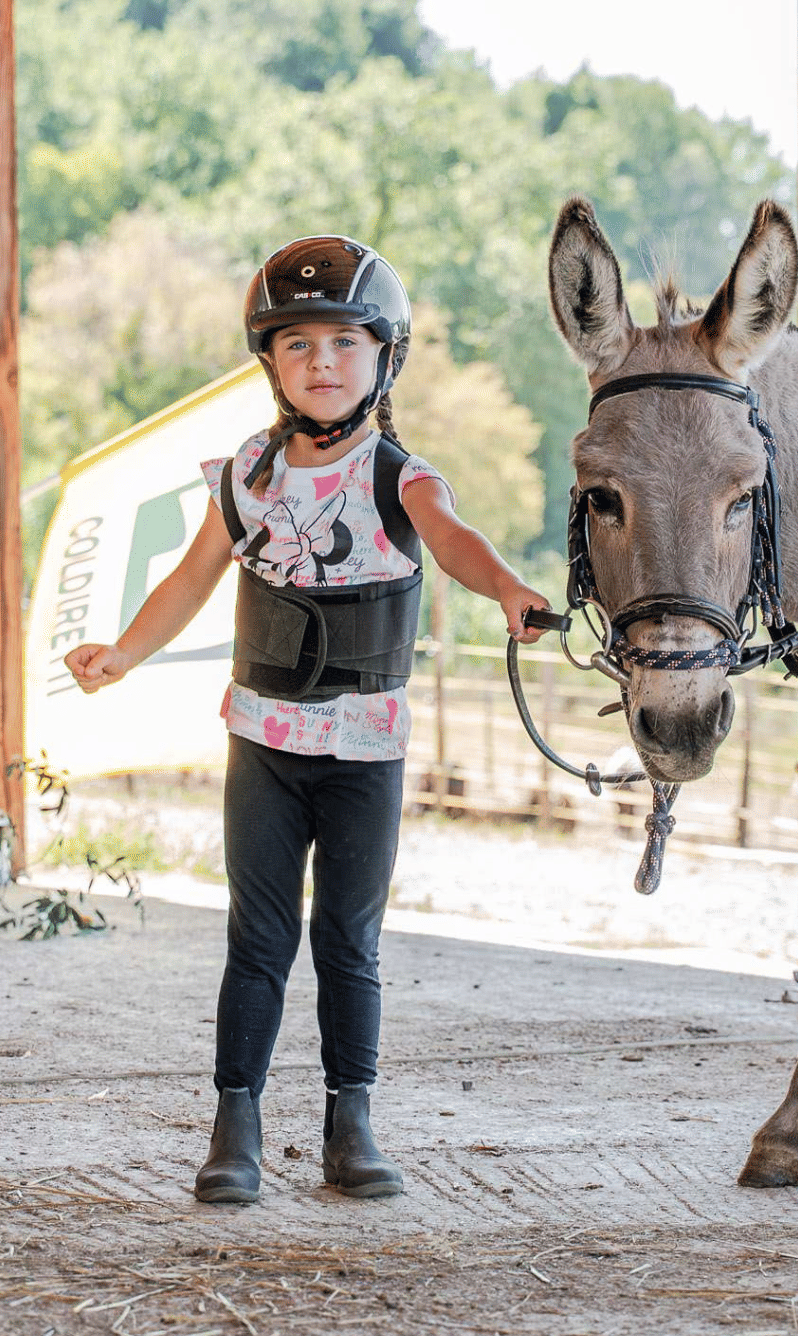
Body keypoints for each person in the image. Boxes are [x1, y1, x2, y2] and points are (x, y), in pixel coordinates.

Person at [64, 235, 551, 1202]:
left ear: (383, 357)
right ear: (270, 364)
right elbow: (194, 576)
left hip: (363, 752)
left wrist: (508, 588)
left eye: (343, 343)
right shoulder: (247, 474)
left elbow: (455, 541)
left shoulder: (397, 476)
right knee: (258, 938)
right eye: (296, 346)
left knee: (348, 943)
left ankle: (350, 1123)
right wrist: (123, 651)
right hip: (265, 745)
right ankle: (233, 1126)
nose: (320, 363)